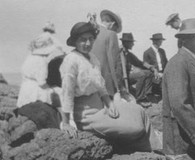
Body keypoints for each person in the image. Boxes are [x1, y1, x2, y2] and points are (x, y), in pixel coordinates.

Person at [59, 22, 152, 151]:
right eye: (82, 40)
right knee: (136, 127)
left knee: (139, 111)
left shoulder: (92, 58)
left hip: (102, 108)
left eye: (91, 39)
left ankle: (153, 154)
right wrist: (66, 123)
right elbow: (66, 94)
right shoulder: (71, 60)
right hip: (87, 116)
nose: (87, 43)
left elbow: (101, 87)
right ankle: (144, 154)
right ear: (75, 41)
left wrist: (109, 103)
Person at [162, 18, 195, 160]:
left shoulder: (192, 60)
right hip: (181, 140)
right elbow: (179, 104)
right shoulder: (179, 62)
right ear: (184, 40)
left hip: (192, 133)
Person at [17, 35, 63, 108]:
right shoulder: (41, 61)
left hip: (25, 89)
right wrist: (52, 89)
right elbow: (42, 83)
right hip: (36, 92)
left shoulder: (29, 57)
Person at [90, 9, 123, 97]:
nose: (115, 31)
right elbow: (114, 64)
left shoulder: (91, 33)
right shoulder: (111, 34)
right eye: (116, 29)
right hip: (106, 86)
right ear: (112, 24)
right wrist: (118, 87)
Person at [120, 33, 158, 102]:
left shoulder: (128, 54)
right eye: (131, 43)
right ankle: (140, 98)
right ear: (126, 43)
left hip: (127, 77)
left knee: (149, 73)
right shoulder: (119, 53)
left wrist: (151, 68)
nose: (133, 44)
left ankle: (148, 94)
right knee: (141, 75)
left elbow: (140, 63)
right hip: (121, 79)